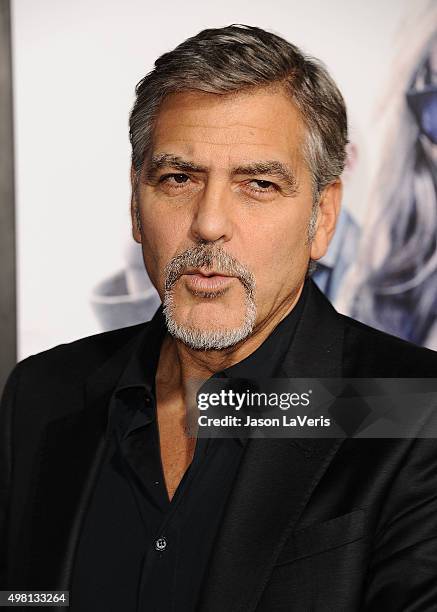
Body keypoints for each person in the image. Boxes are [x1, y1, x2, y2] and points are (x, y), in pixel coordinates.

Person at [2, 24, 437, 612]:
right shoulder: (42, 394)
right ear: (136, 203)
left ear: (323, 217)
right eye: (178, 178)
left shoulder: (410, 407)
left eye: (257, 184)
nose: (209, 223)